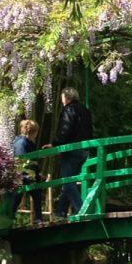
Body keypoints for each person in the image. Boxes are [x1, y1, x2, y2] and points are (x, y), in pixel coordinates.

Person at [48, 87, 93, 218]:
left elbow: (65, 130)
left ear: (67, 97)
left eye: (62, 98)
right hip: (84, 149)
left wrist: (56, 144)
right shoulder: (85, 110)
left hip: (72, 150)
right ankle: (60, 212)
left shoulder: (69, 109)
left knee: (68, 183)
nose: (62, 101)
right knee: (70, 182)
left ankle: (82, 211)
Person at [13, 119, 44, 224]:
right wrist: (30, 174)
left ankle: (39, 219)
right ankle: (7, 220)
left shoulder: (28, 142)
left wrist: (37, 173)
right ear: (33, 132)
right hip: (22, 175)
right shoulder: (21, 143)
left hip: (29, 175)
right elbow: (22, 160)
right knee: (16, 198)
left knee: (37, 194)